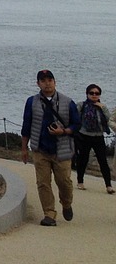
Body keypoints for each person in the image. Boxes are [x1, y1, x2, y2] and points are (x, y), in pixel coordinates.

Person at [20, 69, 81, 226]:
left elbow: (77, 124)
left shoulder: (68, 102)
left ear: (55, 82)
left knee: (64, 182)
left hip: (62, 149)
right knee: (43, 182)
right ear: (38, 83)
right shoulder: (31, 102)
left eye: (50, 80)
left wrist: (64, 131)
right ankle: (49, 213)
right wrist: (24, 148)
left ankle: (66, 203)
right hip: (40, 149)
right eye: (43, 80)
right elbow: (26, 125)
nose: (47, 83)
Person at [73, 82, 113, 194]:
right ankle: (80, 181)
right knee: (83, 159)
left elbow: (108, 119)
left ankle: (108, 185)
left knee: (103, 161)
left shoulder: (102, 107)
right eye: (92, 93)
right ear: (87, 94)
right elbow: (74, 117)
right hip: (84, 136)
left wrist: (103, 107)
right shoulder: (81, 105)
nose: (94, 95)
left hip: (98, 136)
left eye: (97, 93)